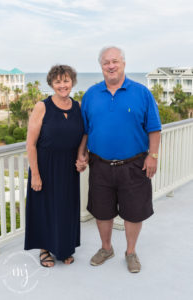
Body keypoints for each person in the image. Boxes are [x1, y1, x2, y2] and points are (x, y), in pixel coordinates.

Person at [76, 46, 161, 273]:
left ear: (123, 63)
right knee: (102, 211)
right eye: (106, 62)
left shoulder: (142, 93)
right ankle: (106, 248)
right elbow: (85, 130)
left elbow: (154, 128)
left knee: (134, 211)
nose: (111, 66)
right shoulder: (91, 95)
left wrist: (152, 156)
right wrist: (81, 154)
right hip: (100, 164)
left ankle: (130, 251)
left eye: (115, 61)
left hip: (134, 164)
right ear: (101, 66)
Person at [24, 65, 85, 267]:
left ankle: (64, 248)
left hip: (68, 167)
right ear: (51, 84)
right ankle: (44, 249)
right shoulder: (42, 107)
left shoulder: (77, 106)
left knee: (66, 208)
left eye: (66, 80)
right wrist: (35, 175)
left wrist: (80, 157)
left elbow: (84, 134)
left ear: (72, 82)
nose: (62, 85)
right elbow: (31, 143)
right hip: (45, 166)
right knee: (45, 209)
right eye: (58, 81)